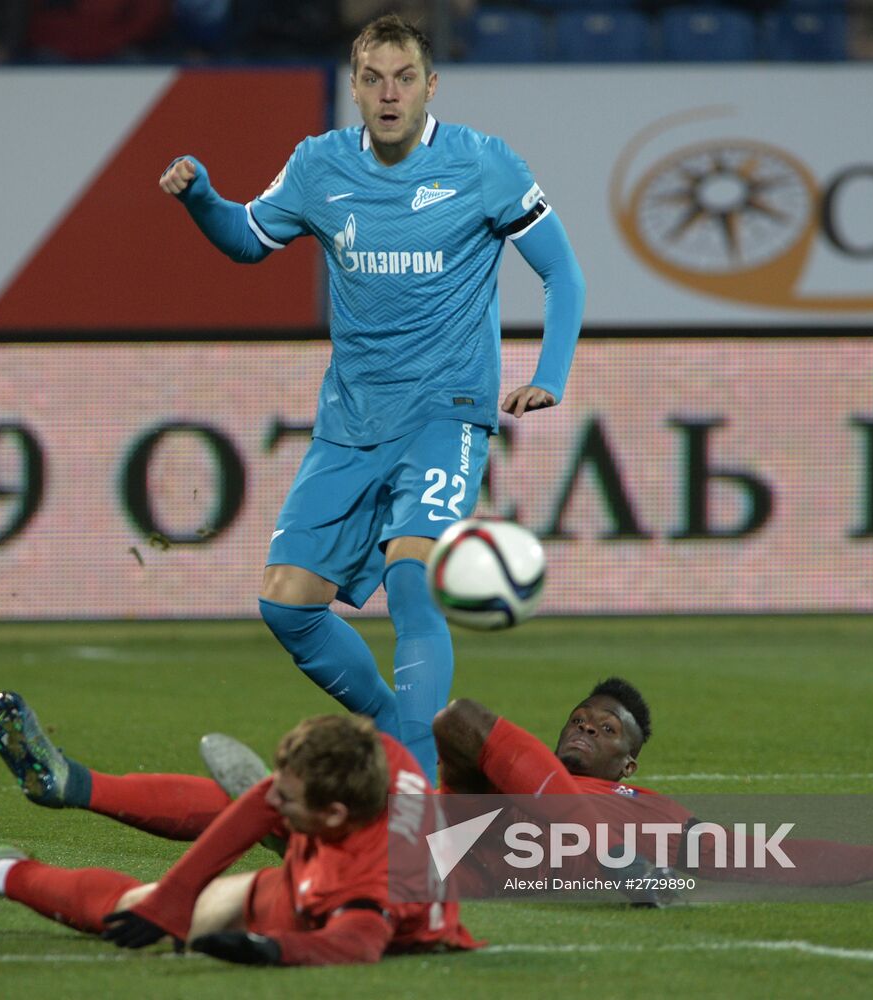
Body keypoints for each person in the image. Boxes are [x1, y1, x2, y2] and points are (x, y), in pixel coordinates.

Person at [158, 14, 586, 783]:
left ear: (431, 85)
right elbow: (249, 239)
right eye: (373, 78)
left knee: (413, 578)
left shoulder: (481, 163)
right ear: (353, 87)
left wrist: (549, 372)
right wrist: (202, 198)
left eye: (405, 77)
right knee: (286, 605)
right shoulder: (318, 166)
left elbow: (564, 273)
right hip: (350, 421)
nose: (390, 94)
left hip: (446, 411)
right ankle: (404, 738)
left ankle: (416, 790)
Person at [0, 694, 476, 966]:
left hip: (335, 911)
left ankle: (1, 872)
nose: (266, 795)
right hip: (331, 855)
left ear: (334, 818)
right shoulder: (384, 757)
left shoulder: (369, 880)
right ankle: (283, 836)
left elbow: (357, 944)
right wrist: (176, 895)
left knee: (128, 911)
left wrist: (267, 949)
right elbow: (260, 800)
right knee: (163, 904)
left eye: (287, 796)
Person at [430, 680, 873, 889]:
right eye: (579, 720)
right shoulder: (522, 771)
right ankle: (607, 859)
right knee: (456, 719)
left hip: (460, 874)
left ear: (628, 765)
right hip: (437, 835)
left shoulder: (650, 812)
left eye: (605, 730)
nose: (583, 729)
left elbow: (770, 858)